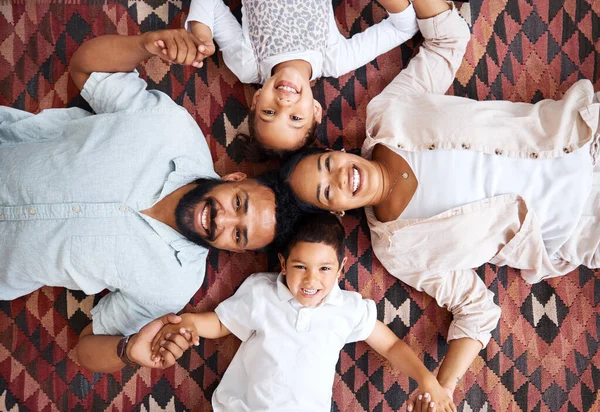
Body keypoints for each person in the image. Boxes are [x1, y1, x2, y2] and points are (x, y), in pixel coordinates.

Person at [279, 0, 600, 405]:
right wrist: (442, 388)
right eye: (327, 191)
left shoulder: (389, 112)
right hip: (583, 224)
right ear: (336, 211)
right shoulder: (398, 250)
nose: (340, 176)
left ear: (339, 152)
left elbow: (447, 40)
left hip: (584, 135)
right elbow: (476, 310)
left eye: (328, 164)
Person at [0, 28, 301, 373]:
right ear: (234, 179)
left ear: (235, 251)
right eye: (238, 204)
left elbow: (86, 347)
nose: (223, 221)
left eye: (238, 235)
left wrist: (129, 351)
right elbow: (85, 69)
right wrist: (144, 46)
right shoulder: (171, 127)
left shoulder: (172, 287)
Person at [151, 213, 456, 411]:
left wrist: (427, 380)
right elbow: (220, 323)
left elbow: (390, 345)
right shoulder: (262, 293)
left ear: (340, 269)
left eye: (324, 269)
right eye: (300, 267)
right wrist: (190, 322)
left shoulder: (348, 308)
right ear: (283, 264)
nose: (311, 280)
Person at [184, 0, 419, 159]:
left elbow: (211, 5)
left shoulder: (246, 64)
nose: (283, 104)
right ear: (316, 111)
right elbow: (404, 27)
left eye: (268, 112)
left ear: (256, 100)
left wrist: (201, 34)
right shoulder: (335, 59)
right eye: (295, 118)